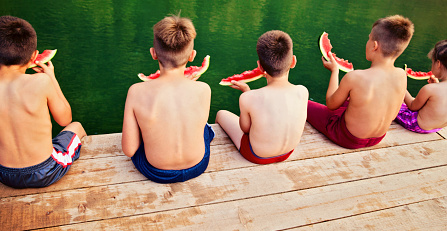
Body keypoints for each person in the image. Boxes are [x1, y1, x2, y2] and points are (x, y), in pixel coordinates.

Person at [0, 16, 86, 188]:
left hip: (2, 172)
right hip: (46, 171)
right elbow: (65, 119)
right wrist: (52, 78)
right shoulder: (41, 82)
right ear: (34, 56)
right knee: (76, 126)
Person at [121, 15, 213, 183]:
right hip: (198, 166)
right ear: (192, 56)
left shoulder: (136, 91)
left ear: (153, 53)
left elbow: (129, 150)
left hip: (156, 172)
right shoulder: (204, 89)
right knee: (206, 129)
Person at [307, 15, 414, 149]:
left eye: (369, 39)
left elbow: (331, 104)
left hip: (348, 138)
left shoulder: (355, 77)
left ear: (374, 46)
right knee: (352, 101)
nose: (367, 42)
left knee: (304, 103)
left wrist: (335, 71)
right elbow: (392, 114)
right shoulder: (401, 75)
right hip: (378, 138)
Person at [215, 30, 308, 164]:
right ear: (293, 61)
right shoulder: (302, 91)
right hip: (287, 152)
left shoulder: (248, 98)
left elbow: (245, 129)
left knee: (221, 114)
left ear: (259, 66)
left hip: (257, 156)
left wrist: (246, 93)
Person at [395, 39, 447, 133]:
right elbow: (445, 100)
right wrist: (437, 85)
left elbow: (412, 106)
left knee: (393, 102)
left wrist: (402, 88)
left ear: (438, 64)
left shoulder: (430, 89)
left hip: (417, 125)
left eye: (432, 62)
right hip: (437, 127)